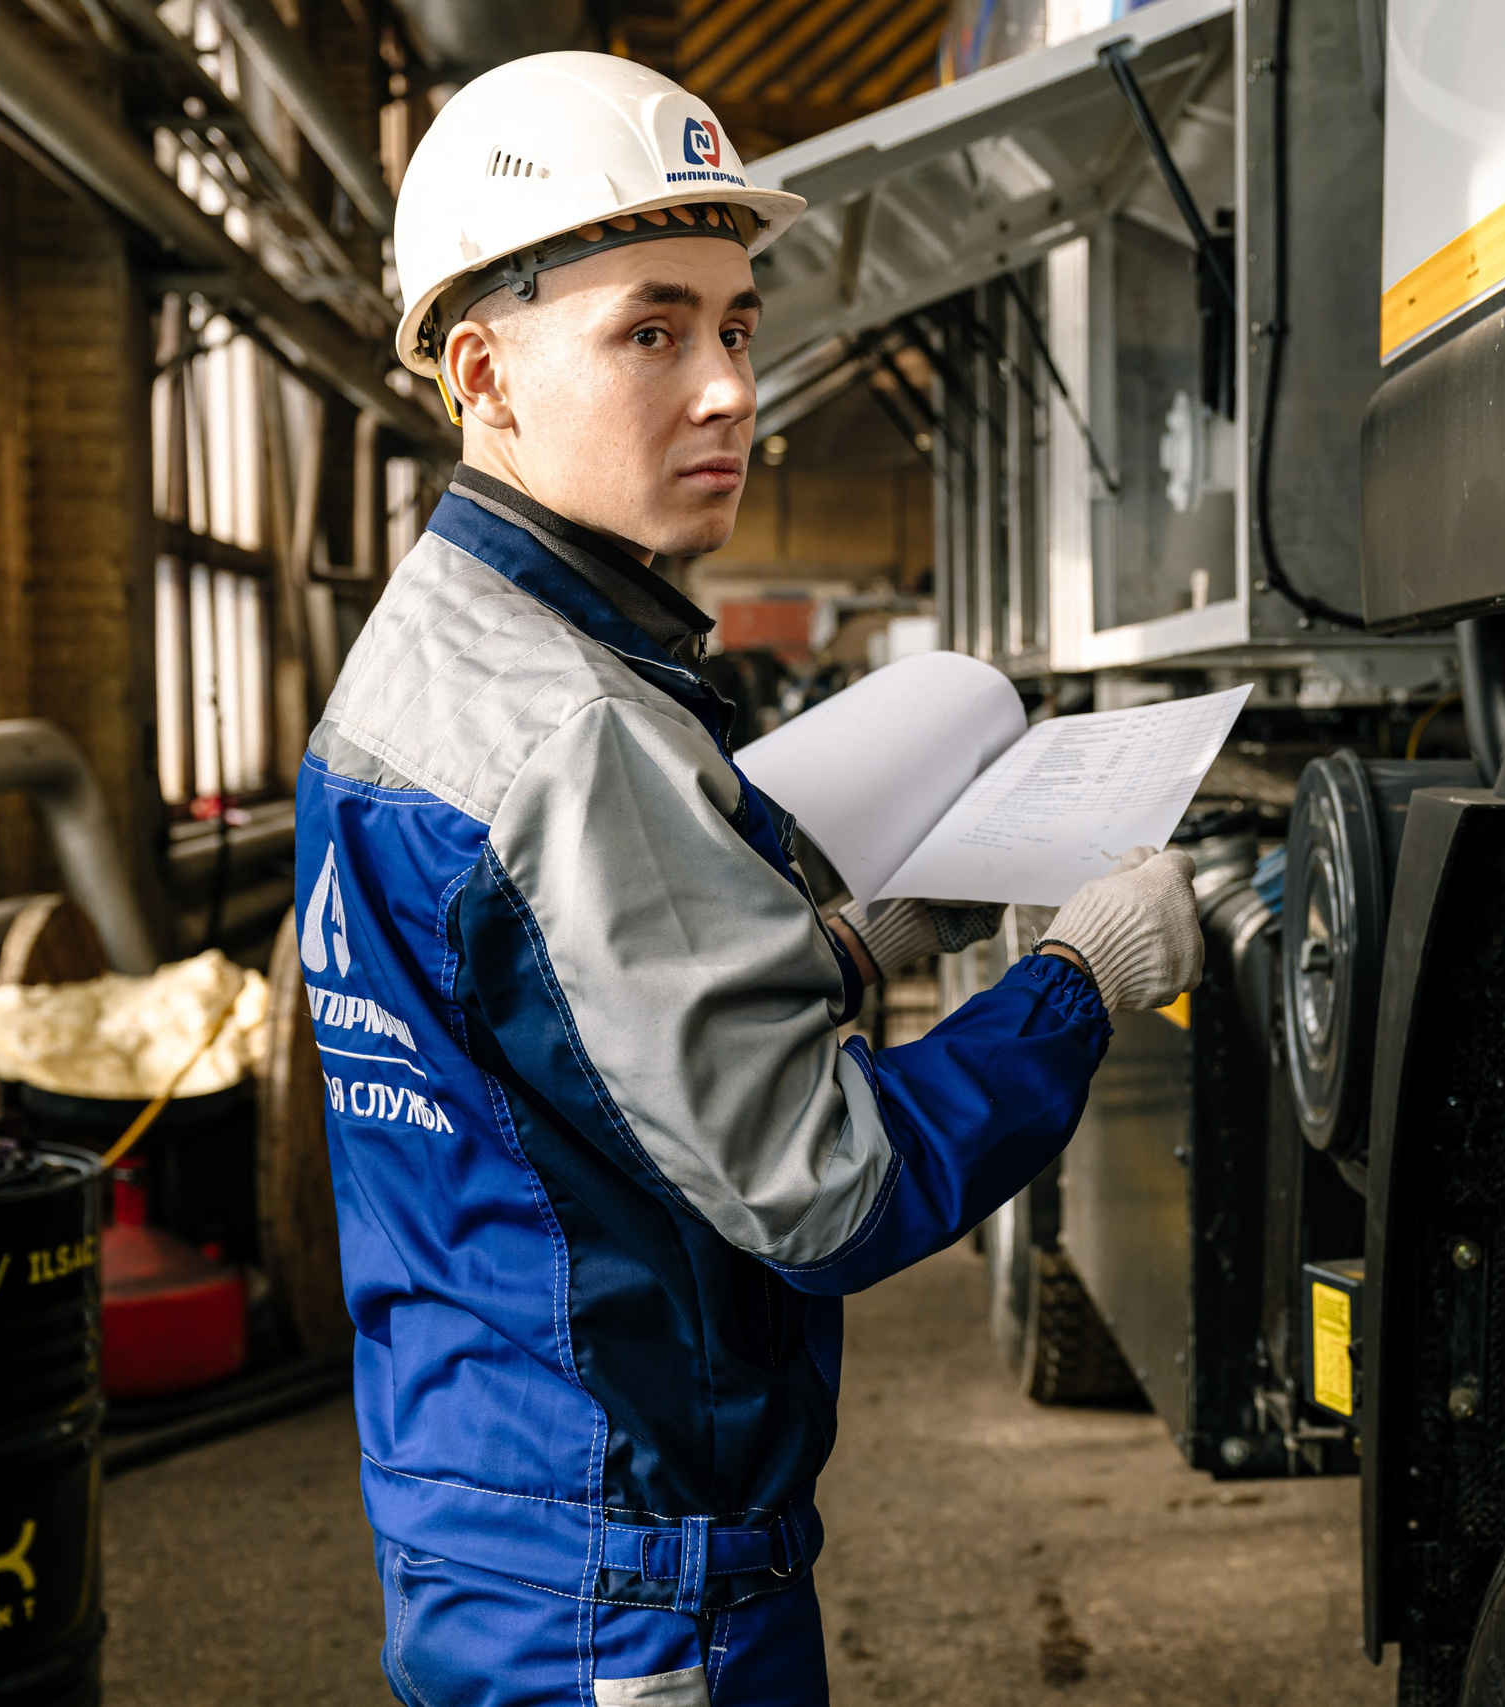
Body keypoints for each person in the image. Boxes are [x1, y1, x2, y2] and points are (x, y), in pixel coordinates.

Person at [292, 53, 1204, 1707]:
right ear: (483, 371)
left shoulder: (431, 664)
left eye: (736, 325)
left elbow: (555, 1057)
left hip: (488, 1518)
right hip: (632, 1592)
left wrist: (840, 955)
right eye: (652, 330)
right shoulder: (574, 736)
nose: (728, 389)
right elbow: (830, 1192)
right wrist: (1078, 981)